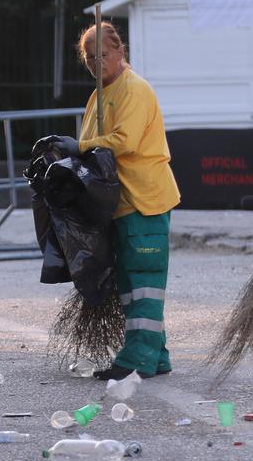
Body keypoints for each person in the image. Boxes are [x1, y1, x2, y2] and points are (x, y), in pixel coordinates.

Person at [68, 20, 181, 380]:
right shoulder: (101, 94)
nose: (95, 62)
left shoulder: (133, 89)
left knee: (144, 281)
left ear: (120, 52)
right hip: (124, 203)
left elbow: (125, 140)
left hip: (144, 200)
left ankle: (138, 359)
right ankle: (155, 353)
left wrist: (80, 147)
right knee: (132, 284)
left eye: (102, 54)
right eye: (88, 56)